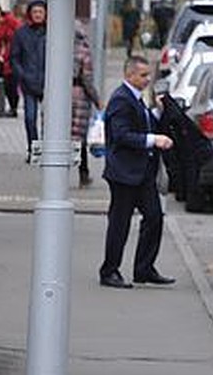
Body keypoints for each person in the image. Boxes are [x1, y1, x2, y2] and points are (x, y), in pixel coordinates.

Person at [99, 56, 175, 289]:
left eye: (148, 74)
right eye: (143, 75)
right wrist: (154, 140)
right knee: (120, 223)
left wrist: (159, 113)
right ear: (129, 75)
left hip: (141, 173)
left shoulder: (136, 99)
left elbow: (145, 123)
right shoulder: (121, 100)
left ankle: (144, 268)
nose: (147, 79)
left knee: (154, 216)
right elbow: (121, 135)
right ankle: (109, 271)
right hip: (124, 173)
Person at [10, 0, 48, 162]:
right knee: (30, 118)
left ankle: (47, 149)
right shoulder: (21, 33)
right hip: (28, 83)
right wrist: (22, 75)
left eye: (41, 11)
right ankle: (34, 150)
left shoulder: (52, 32)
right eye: (35, 12)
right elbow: (14, 57)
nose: (38, 15)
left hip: (48, 84)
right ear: (30, 14)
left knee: (48, 119)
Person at [71, 25, 102, 187]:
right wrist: (97, 100)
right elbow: (87, 80)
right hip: (79, 97)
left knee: (59, 136)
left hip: (57, 95)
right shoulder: (84, 51)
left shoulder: (56, 47)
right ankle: (83, 173)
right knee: (79, 137)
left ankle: (55, 174)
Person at [0, 1, 21, 117]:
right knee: (3, 84)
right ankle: (2, 106)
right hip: (0, 59)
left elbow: (18, 35)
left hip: (12, 57)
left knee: (11, 83)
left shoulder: (10, 21)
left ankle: (13, 107)